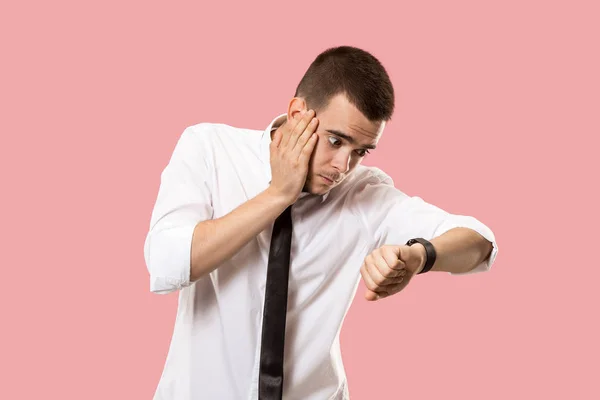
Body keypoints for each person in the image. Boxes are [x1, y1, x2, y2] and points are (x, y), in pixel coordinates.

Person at [143, 45, 498, 400]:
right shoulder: (210, 149)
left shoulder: (364, 194)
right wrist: (278, 194)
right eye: (336, 140)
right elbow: (167, 262)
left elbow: (480, 243)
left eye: (360, 151)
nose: (343, 166)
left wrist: (420, 256)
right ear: (298, 113)